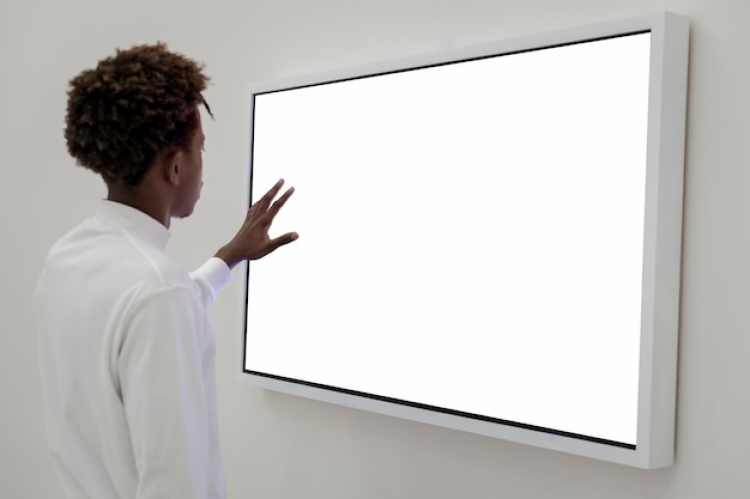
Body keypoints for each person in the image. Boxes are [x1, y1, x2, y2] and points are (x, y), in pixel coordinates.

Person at [34, 43, 296, 499]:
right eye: (200, 149)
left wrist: (226, 258)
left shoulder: (67, 256)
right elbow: (175, 483)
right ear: (176, 166)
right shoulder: (158, 291)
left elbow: (145, 314)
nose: (202, 165)